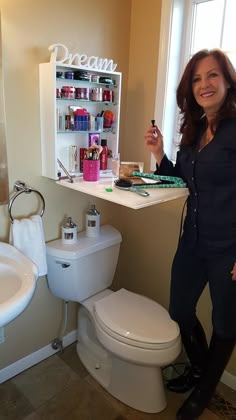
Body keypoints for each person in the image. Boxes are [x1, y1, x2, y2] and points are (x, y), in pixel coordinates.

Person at [145, 49, 236, 420]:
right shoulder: (194, 129)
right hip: (193, 241)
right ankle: (200, 369)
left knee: (226, 323)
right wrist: (159, 154)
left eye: (212, 76)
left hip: (228, 248)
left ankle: (204, 393)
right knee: (180, 309)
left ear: (228, 81)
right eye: (197, 79)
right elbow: (183, 180)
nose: (205, 85)